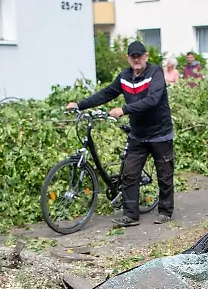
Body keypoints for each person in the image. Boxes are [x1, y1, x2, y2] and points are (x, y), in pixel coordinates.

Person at [66, 41, 175, 228]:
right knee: (129, 174)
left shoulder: (155, 73)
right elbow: (106, 93)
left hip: (160, 133)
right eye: (133, 57)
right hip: (138, 135)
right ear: (128, 58)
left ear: (146, 56)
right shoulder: (124, 76)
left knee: (164, 174)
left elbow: (152, 100)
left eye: (140, 56)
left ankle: (165, 211)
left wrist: (124, 110)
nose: (136, 59)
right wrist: (80, 105)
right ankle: (131, 216)